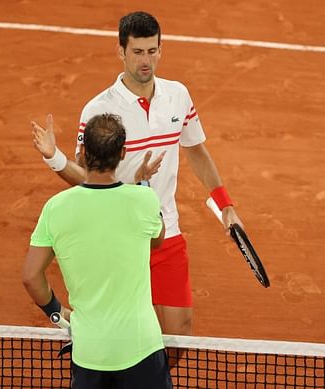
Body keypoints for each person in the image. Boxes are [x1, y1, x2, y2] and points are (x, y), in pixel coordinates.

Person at [31, 11, 243, 337]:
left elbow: (197, 151)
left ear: (161, 49)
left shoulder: (178, 96)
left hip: (164, 230)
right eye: (138, 52)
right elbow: (88, 178)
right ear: (121, 52)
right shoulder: (98, 110)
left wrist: (225, 204)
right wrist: (54, 158)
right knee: (122, 331)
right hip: (120, 233)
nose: (146, 61)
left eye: (152, 51)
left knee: (178, 333)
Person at [22, 113, 172, 389]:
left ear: (82, 153)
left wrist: (56, 313)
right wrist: (143, 182)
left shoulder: (56, 208)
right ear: (123, 153)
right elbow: (156, 240)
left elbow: (32, 276)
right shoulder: (143, 200)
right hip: (141, 348)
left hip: (90, 354)